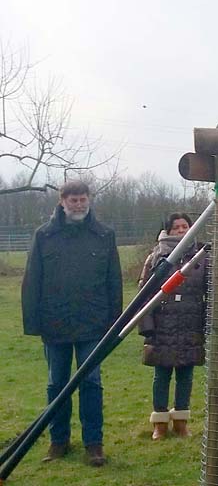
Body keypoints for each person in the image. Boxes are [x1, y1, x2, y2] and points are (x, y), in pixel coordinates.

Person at [21, 180, 122, 467]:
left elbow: (114, 281)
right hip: (55, 324)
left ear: (89, 200)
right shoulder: (44, 236)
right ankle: (58, 441)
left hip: (94, 323)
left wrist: (115, 323)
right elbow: (32, 281)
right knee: (57, 385)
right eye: (73, 200)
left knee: (91, 382)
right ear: (61, 201)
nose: (78, 204)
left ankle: (94, 444)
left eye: (82, 199)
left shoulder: (104, 235)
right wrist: (34, 322)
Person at [138, 212, 208, 440]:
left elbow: (213, 290)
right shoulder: (156, 257)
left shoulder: (202, 256)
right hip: (162, 325)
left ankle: (181, 421)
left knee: (185, 375)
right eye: (176, 227)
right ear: (167, 231)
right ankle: (159, 422)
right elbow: (144, 294)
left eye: (185, 226)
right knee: (162, 375)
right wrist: (147, 326)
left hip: (191, 323)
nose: (180, 230)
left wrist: (208, 324)